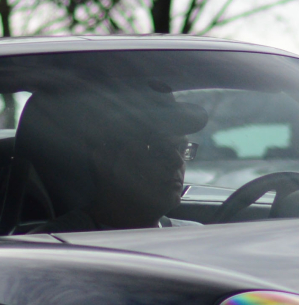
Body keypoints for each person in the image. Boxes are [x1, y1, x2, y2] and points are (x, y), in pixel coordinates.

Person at [12, 83, 208, 233]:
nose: (177, 162)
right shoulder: (54, 249)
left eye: (181, 148)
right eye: (157, 149)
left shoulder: (195, 236)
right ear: (105, 158)